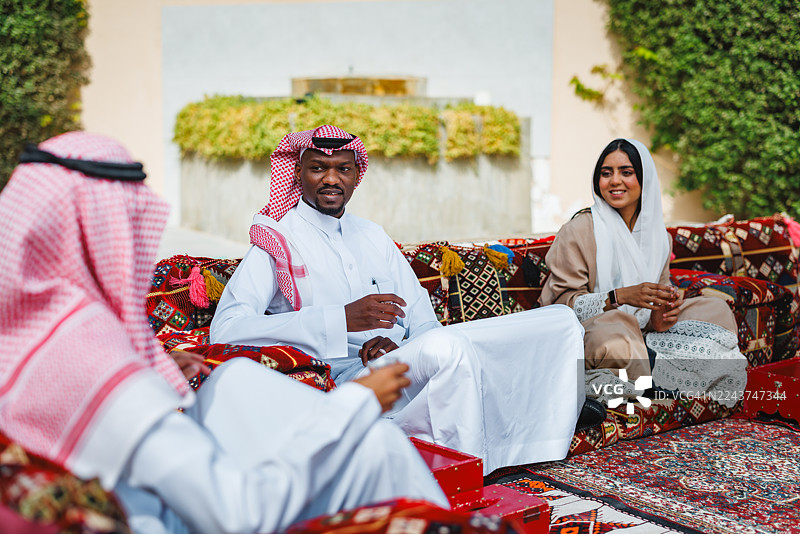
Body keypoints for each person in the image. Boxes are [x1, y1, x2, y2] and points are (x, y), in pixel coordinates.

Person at [0, 132, 448, 534]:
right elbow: (238, 514)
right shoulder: (96, 364)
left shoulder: (39, 333)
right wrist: (355, 402)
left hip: (173, 489)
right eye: (130, 222)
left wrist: (152, 369)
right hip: (180, 514)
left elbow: (422, 320)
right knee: (378, 448)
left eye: (343, 169)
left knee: (236, 380)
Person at [210, 124, 587, 474]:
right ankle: (466, 472)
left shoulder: (373, 235)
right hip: (346, 380)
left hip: (402, 364)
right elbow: (226, 329)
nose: (331, 179)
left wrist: (403, 344)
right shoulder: (278, 240)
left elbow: (424, 322)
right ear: (297, 172)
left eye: (343, 169)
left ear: (357, 175)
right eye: (318, 168)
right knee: (449, 350)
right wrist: (339, 320)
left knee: (559, 322)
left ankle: (540, 437)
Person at [540, 138, 747, 406]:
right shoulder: (579, 231)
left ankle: (663, 379)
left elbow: (653, 304)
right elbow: (561, 307)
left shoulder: (659, 237)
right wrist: (618, 297)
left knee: (715, 310)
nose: (615, 181)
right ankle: (655, 389)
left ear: (644, 178)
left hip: (643, 334)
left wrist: (659, 316)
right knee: (617, 329)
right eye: (606, 173)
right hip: (594, 333)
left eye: (626, 172)